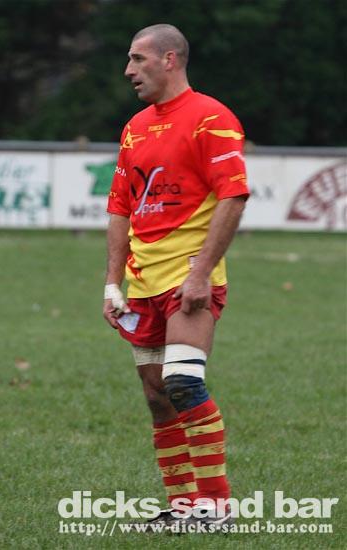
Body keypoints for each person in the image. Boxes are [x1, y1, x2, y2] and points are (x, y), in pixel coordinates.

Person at [103, 24, 249, 528]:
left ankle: (217, 506)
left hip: (189, 277)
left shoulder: (212, 118)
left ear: (170, 60)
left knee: (183, 382)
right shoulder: (135, 127)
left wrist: (202, 272)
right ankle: (183, 507)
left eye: (138, 59)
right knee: (157, 397)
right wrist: (112, 283)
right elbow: (119, 207)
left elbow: (233, 195)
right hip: (142, 282)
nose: (129, 70)